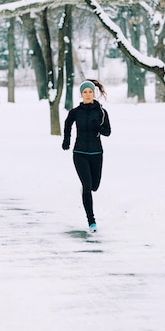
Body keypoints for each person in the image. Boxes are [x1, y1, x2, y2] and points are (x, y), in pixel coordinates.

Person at [62, 79, 111, 232]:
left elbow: (107, 132)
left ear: (94, 93)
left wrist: (98, 127)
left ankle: (87, 188)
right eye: (85, 92)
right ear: (81, 94)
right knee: (87, 186)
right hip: (80, 153)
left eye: (90, 92)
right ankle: (91, 221)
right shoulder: (75, 112)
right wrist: (66, 140)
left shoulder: (101, 112)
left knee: (95, 186)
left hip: (96, 153)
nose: (88, 94)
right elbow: (67, 124)